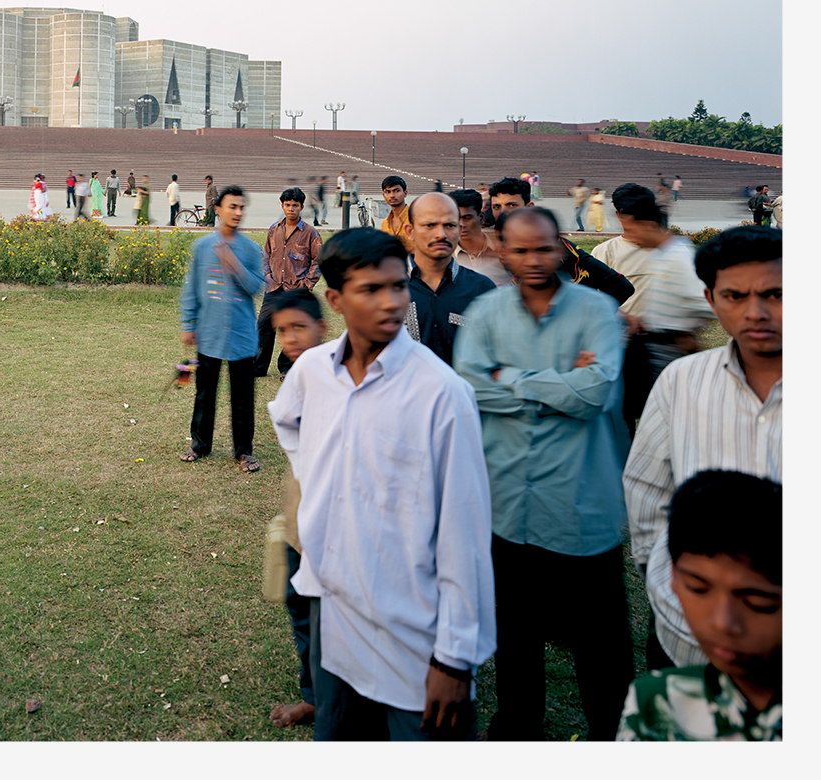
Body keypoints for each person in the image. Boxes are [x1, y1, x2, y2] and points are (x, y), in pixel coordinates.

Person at [271, 227, 495, 741]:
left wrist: (456, 662)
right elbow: (287, 420)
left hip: (414, 632)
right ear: (335, 300)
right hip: (336, 614)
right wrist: (324, 489)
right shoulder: (312, 371)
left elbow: (464, 534)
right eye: (371, 290)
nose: (391, 302)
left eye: (398, 286)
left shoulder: (442, 394)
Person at [453, 206, 632, 741]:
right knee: (516, 636)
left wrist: (509, 378)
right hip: (508, 505)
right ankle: (517, 732)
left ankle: (614, 735)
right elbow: (469, 388)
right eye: (522, 250)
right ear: (501, 251)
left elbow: (597, 391)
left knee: (602, 645)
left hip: (581, 505)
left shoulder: (596, 310)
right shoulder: (486, 313)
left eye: (544, 248)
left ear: (563, 249)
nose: (534, 260)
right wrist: (558, 386)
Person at [623, 225, 781, 671]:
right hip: (686, 639)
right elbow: (647, 490)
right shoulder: (682, 381)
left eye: (775, 294)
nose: (756, 312)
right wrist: (667, 584)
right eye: (735, 296)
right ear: (711, 301)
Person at [617, 471, 782, 741]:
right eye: (697, 588)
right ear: (672, 576)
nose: (722, 621)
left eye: (757, 602)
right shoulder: (657, 702)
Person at [591, 184, 712, 431]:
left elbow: (708, 303)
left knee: (663, 421)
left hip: (667, 350)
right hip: (643, 347)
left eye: (634, 230)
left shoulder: (678, 256)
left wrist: (686, 333)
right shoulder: (661, 253)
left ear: (648, 225)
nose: (631, 238)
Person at [263, 287, 326, 729]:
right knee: (299, 607)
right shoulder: (300, 375)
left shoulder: (334, 375)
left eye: (298, 328)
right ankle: (313, 695)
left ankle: (329, 699)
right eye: (281, 331)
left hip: (327, 522)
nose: (289, 338)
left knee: (325, 617)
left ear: (322, 328)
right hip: (297, 517)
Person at [178, 186, 264, 472]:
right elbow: (191, 289)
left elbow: (256, 287)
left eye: (241, 207)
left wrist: (234, 264)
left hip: (241, 335)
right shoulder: (202, 247)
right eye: (232, 207)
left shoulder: (251, 249)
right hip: (210, 332)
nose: (237, 212)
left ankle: (244, 451)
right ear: (218, 209)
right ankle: (200, 444)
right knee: (205, 392)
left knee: (242, 396)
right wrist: (188, 324)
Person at [489, 176, 634, 305]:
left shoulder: (555, 247)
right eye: (497, 206)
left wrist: (583, 320)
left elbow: (620, 286)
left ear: (529, 207)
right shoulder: (485, 249)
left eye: (512, 205)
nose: (503, 212)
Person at [405, 193, 495, 366]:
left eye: (449, 225)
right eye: (429, 225)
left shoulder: (482, 289)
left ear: (460, 230)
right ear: (411, 231)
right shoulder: (385, 288)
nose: (441, 234)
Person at [256, 187, 321, 377]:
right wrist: (267, 276)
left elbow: (318, 261)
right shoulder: (274, 229)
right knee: (263, 325)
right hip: (273, 287)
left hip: (296, 290)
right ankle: (258, 368)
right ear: (282, 205)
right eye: (287, 205)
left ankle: (287, 368)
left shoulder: (310, 233)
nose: (291, 209)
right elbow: (266, 255)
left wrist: (306, 285)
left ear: (301, 207)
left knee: (293, 328)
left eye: (295, 205)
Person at [450, 188, 509, 285]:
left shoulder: (502, 252)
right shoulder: (444, 257)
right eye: (456, 218)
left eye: (467, 218)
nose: (461, 224)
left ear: (481, 217)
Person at [377, 175, 412, 251]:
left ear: (405, 193)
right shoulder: (385, 224)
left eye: (397, 191)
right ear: (384, 196)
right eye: (388, 192)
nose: (392, 195)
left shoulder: (415, 219)